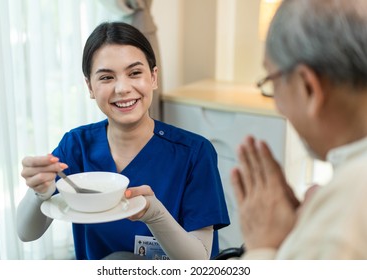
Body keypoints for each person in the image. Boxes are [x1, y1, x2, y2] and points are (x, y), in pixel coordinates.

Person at [16, 21, 229, 260]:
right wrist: (40, 192)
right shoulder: (77, 145)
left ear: (153, 77)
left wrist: (154, 213)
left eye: (135, 73)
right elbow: (26, 233)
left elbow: (198, 260)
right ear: (90, 87)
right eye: (106, 77)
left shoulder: (194, 153)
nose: (122, 88)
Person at [231, 0, 367, 259]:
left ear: (308, 87)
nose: (278, 107)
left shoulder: (345, 210)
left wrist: (263, 245)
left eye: (271, 83)